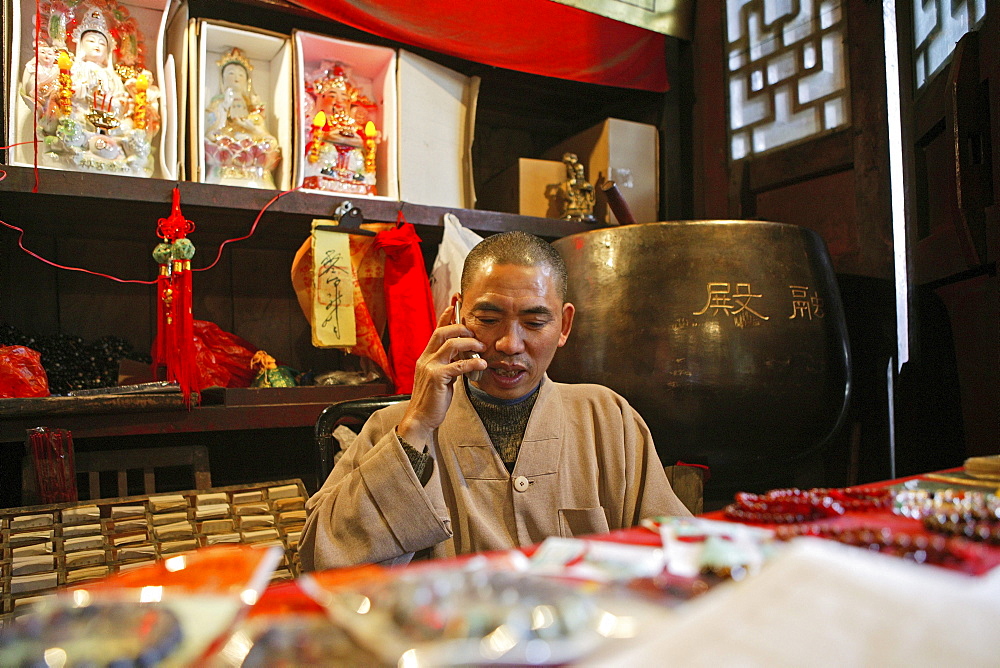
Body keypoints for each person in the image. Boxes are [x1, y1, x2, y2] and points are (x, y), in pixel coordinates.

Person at [300, 231, 691, 570]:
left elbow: (677, 552)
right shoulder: (392, 427)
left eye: (535, 323)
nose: (509, 344)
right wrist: (415, 429)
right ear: (456, 314)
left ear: (564, 325)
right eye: (488, 320)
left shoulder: (607, 418)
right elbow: (320, 561)